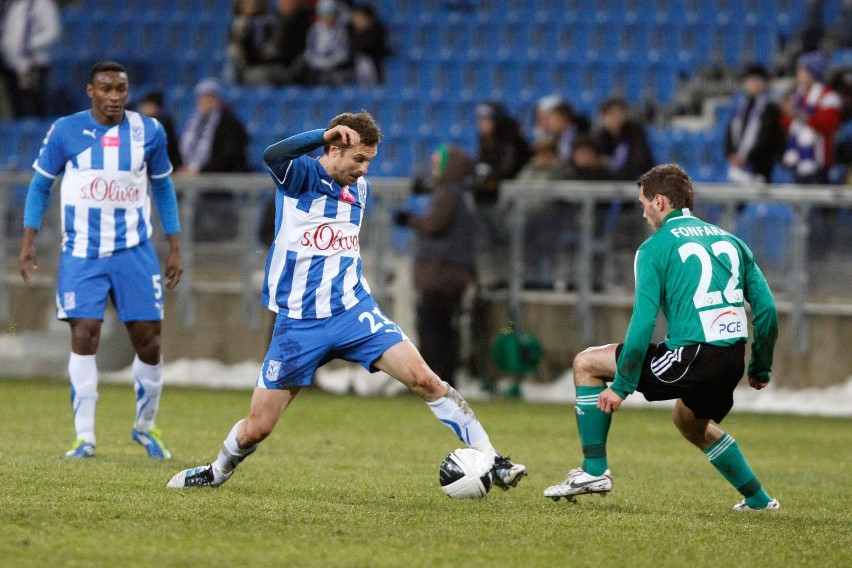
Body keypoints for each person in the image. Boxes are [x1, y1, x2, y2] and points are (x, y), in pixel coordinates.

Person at [166, 112, 527, 491]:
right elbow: (273, 155)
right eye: (359, 159)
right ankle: (216, 472)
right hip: (298, 324)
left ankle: (494, 459)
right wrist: (318, 134)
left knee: (425, 379)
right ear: (333, 148)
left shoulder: (360, 188)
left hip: (353, 312)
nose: (364, 169)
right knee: (255, 430)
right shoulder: (300, 177)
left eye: (369, 160)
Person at [543, 164, 781, 512]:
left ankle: (594, 470)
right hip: (731, 357)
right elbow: (768, 310)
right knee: (689, 423)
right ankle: (759, 501)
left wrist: (621, 385)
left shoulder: (654, 248)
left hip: (692, 354)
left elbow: (642, 324)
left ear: (659, 201)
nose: (642, 213)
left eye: (643, 203)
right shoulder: (731, 241)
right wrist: (760, 366)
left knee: (587, 363)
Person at [18, 61, 183, 459]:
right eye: (106, 89)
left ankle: (145, 427)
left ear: (127, 92)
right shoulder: (65, 130)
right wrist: (29, 240)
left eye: (121, 90)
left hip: (135, 252)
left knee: (149, 343)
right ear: (90, 91)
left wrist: (176, 246)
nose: (114, 97)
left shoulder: (150, 132)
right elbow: (41, 185)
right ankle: (84, 437)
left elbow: (163, 189)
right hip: (82, 253)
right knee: (83, 336)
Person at [393, 144, 479, 388]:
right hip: (456, 272)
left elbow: (434, 224)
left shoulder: (448, 193)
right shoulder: (464, 192)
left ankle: (430, 380)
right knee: (448, 328)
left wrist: (409, 219)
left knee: (432, 327)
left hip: (441, 273)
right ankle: (447, 379)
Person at [178, 77, 250, 241]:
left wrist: (199, 171)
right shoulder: (195, 122)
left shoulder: (229, 123)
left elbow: (229, 155)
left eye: (209, 97)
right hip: (195, 182)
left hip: (219, 186)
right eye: (202, 97)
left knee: (216, 227)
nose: (204, 101)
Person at [781, 51, 842, 184]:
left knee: (819, 202)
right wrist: (786, 113)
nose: (798, 74)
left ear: (812, 73)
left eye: (802, 70)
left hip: (819, 161)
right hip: (798, 159)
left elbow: (829, 124)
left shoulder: (828, 96)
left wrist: (798, 115)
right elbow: (787, 125)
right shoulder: (797, 95)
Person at [725, 64, 786, 183]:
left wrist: (747, 158)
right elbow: (729, 132)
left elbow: (766, 138)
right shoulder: (740, 107)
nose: (753, 85)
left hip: (760, 167)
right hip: (738, 165)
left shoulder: (769, 108)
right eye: (750, 81)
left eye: (756, 81)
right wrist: (730, 153)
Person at [0, 0, 61, 117]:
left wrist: (28, 45)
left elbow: (52, 31)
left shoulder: (42, 3)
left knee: (34, 107)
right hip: (11, 63)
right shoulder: (10, 4)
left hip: (34, 63)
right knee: (17, 108)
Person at [594, 97, 655, 182]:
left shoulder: (635, 133)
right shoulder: (602, 137)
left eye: (620, 113)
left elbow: (639, 162)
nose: (616, 117)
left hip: (636, 179)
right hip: (610, 181)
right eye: (611, 113)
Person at [300, 0, 355, 86]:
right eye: (325, 14)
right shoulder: (314, 29)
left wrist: (328, 62)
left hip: (335, 66)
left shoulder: (342, 31)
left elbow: (343, 53)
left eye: (330, 14)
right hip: (315, 65)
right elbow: (309, 51)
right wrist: (318, 62)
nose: (327, 18)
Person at [225, 0, 277, 85]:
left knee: (260, 75)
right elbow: (236, 49)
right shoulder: (237, 24)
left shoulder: (270, 23)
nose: (252, 3)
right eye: (247, 2)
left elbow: (270, 52)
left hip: (263, 66)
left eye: (255, 1)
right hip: (243, 67)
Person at [136, 90, 182, 170]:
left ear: (156, 107)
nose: (144, 108)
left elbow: (170, 147)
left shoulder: (164, 123)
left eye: (148, 105)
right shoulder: (136, 123)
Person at [349, 3, 390, 85]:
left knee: (364, 62)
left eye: (359, 18)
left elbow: (371, 49)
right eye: (355, 18)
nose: (356, 21)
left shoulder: (378, 32)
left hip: (377, 72)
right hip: (355, 72)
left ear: (369, 18)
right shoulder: (351, 32)